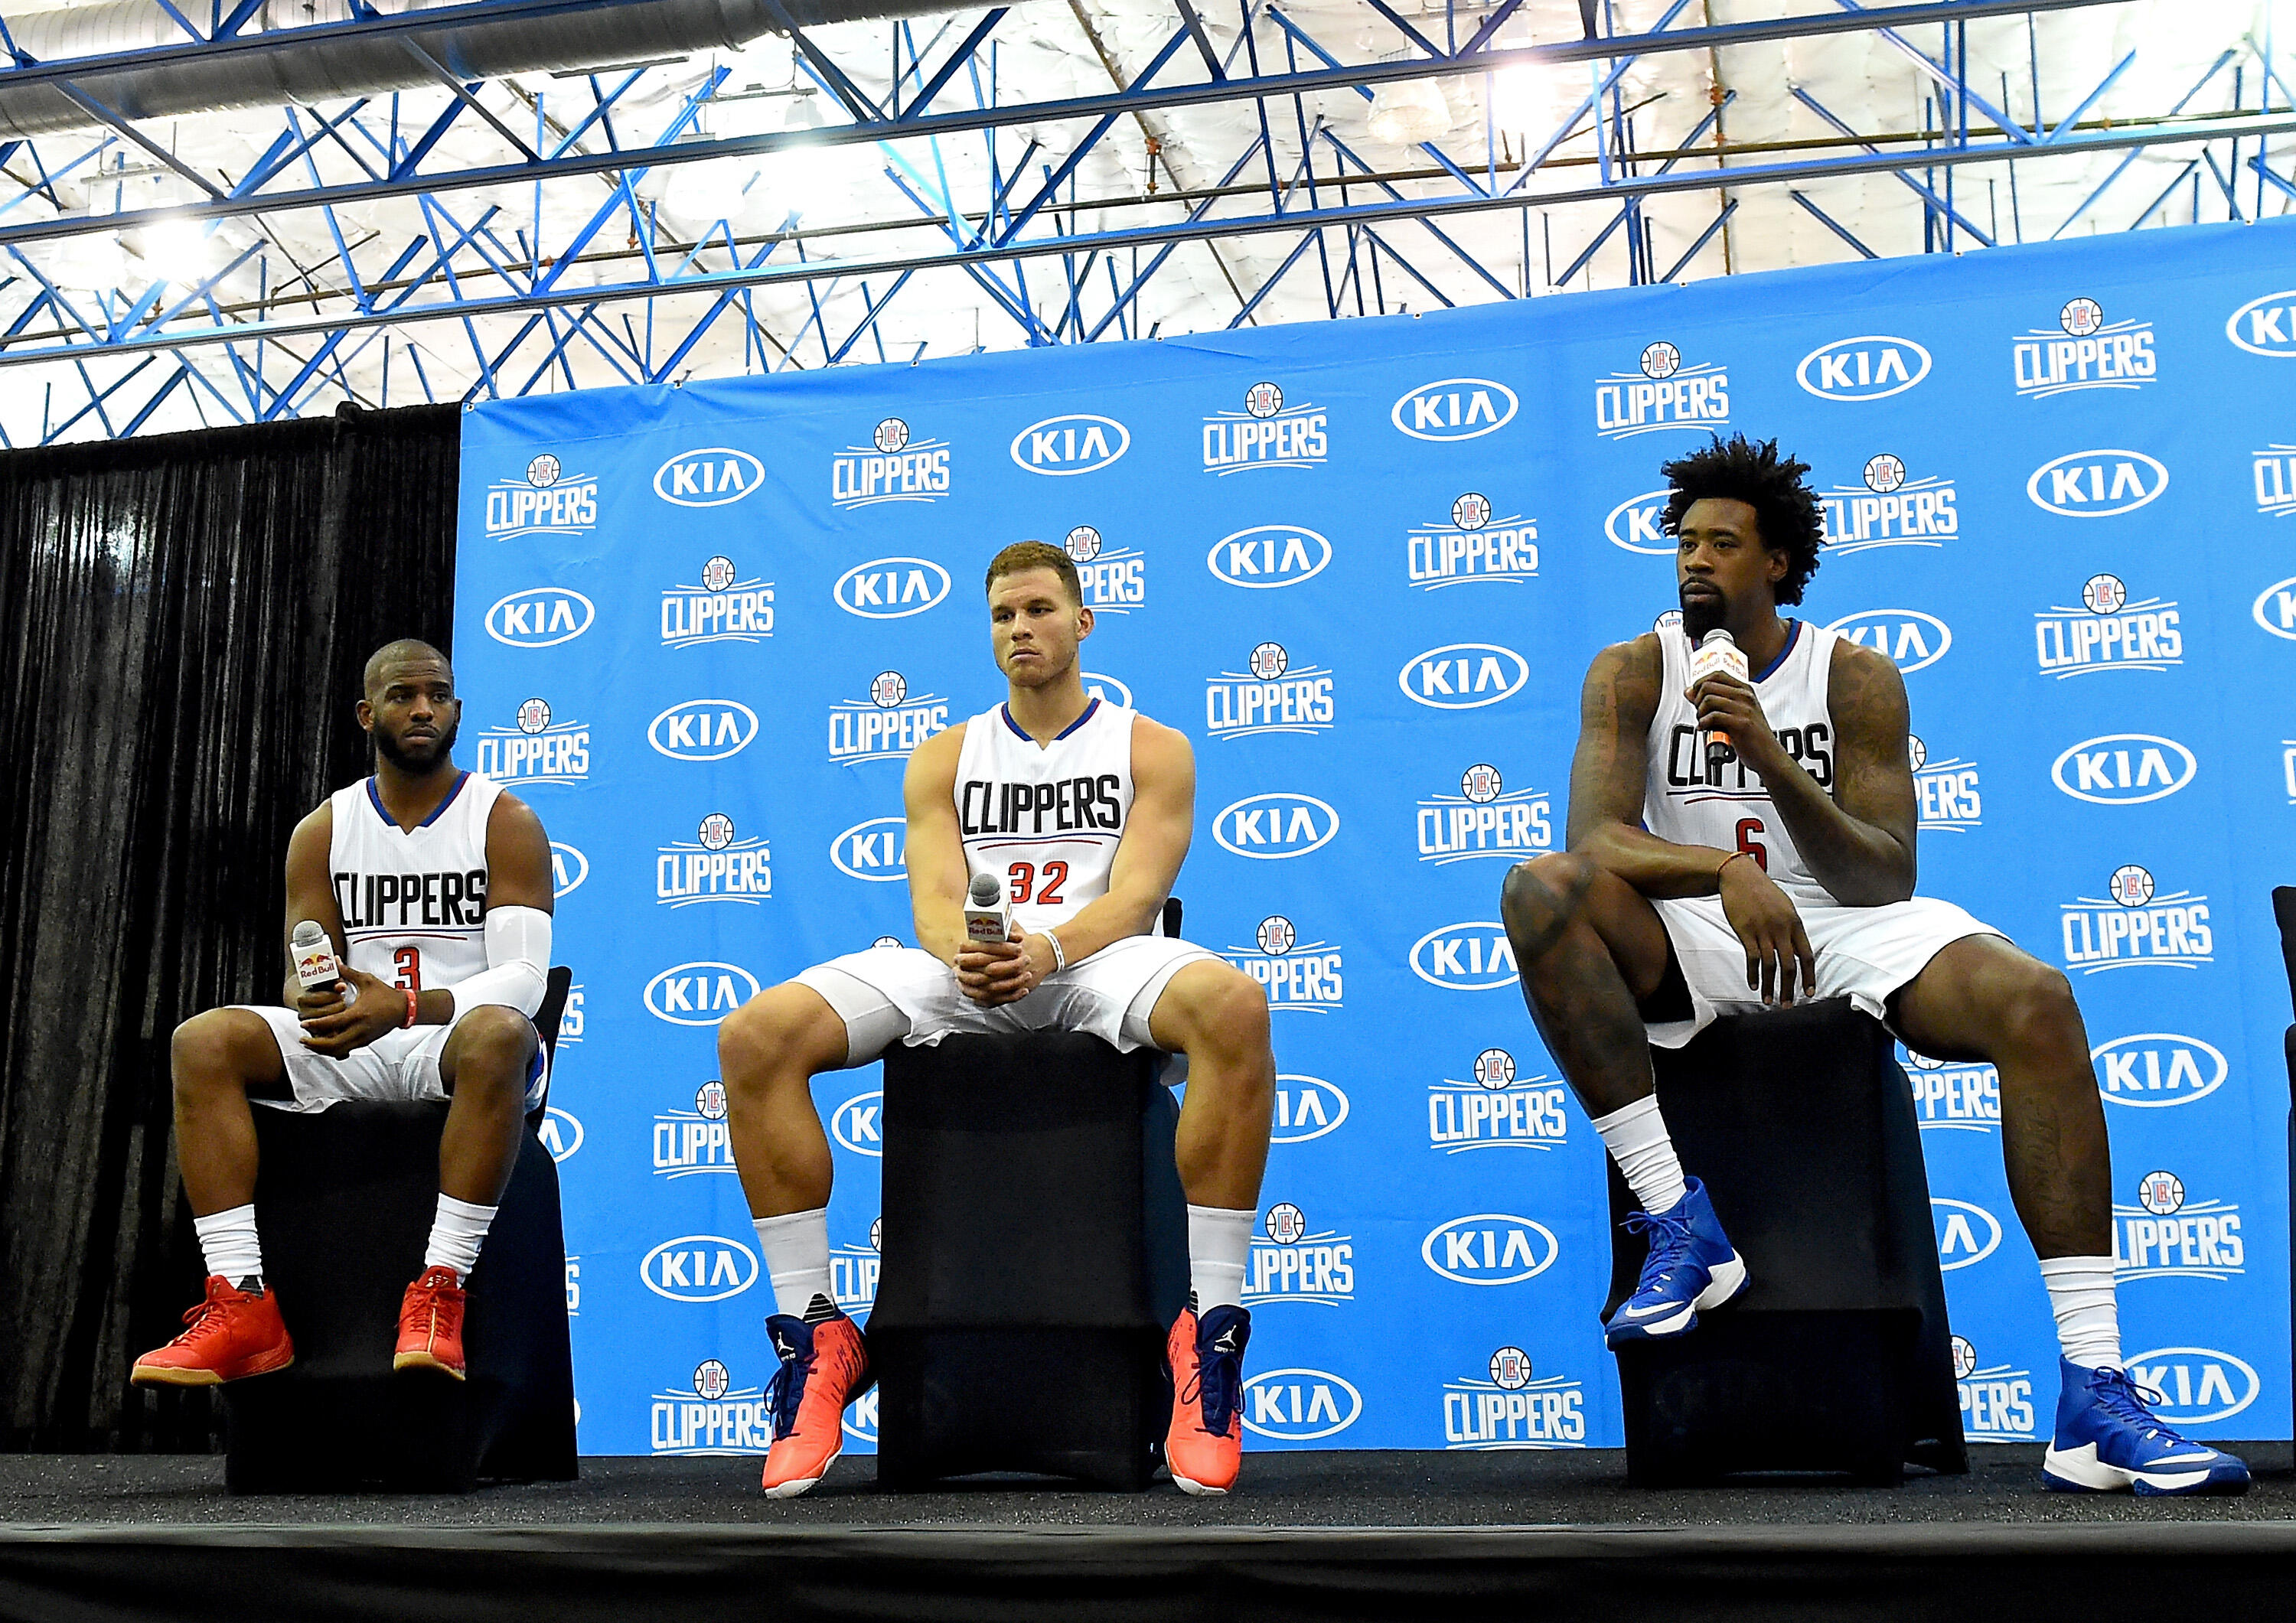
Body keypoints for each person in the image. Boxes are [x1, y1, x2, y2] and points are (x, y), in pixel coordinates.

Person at [1499, 435, 2247, 1498]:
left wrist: (1766, 757)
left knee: (2037, 1001)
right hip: (1696, 927)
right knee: (1538, 889)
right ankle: (1679, 1218)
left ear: (1779, 566)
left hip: (1840, 923)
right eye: (1686, 541)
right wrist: (1720, 869)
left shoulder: (1853, 678)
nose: (1695, 561)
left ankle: (2095, 1394)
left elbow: (1885, 874)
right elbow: (1594, 842)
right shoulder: (1635, 671)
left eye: (1724, 542)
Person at [719, 540, 1275, 1499]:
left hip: (1093, 964)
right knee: (755, 1037)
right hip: (970, 970)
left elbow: (1138, 893)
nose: (1021, 629)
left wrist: (1048, 951)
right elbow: (933, 894)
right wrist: (964, 952)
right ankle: (817, 1333)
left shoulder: (1153, 748)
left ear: (1082, 622)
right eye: (1003, 616)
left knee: (1234, 1003)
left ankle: (1209, 1334)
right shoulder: (944, 754)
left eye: (1040, 611)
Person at [131, 640, 555, 1389]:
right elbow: (306, 969)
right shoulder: (323, 830)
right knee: (203, 1042)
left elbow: (524, 980)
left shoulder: (505, 820)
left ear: (456, 710)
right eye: (402, 695)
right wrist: (314, 998)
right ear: (368, 713)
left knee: (502, 1032)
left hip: (457, 1043)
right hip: (358, 1039)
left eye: (437, 694)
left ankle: (439, 1291)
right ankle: (243, 1304)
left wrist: (412, 1006)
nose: (422, 708)